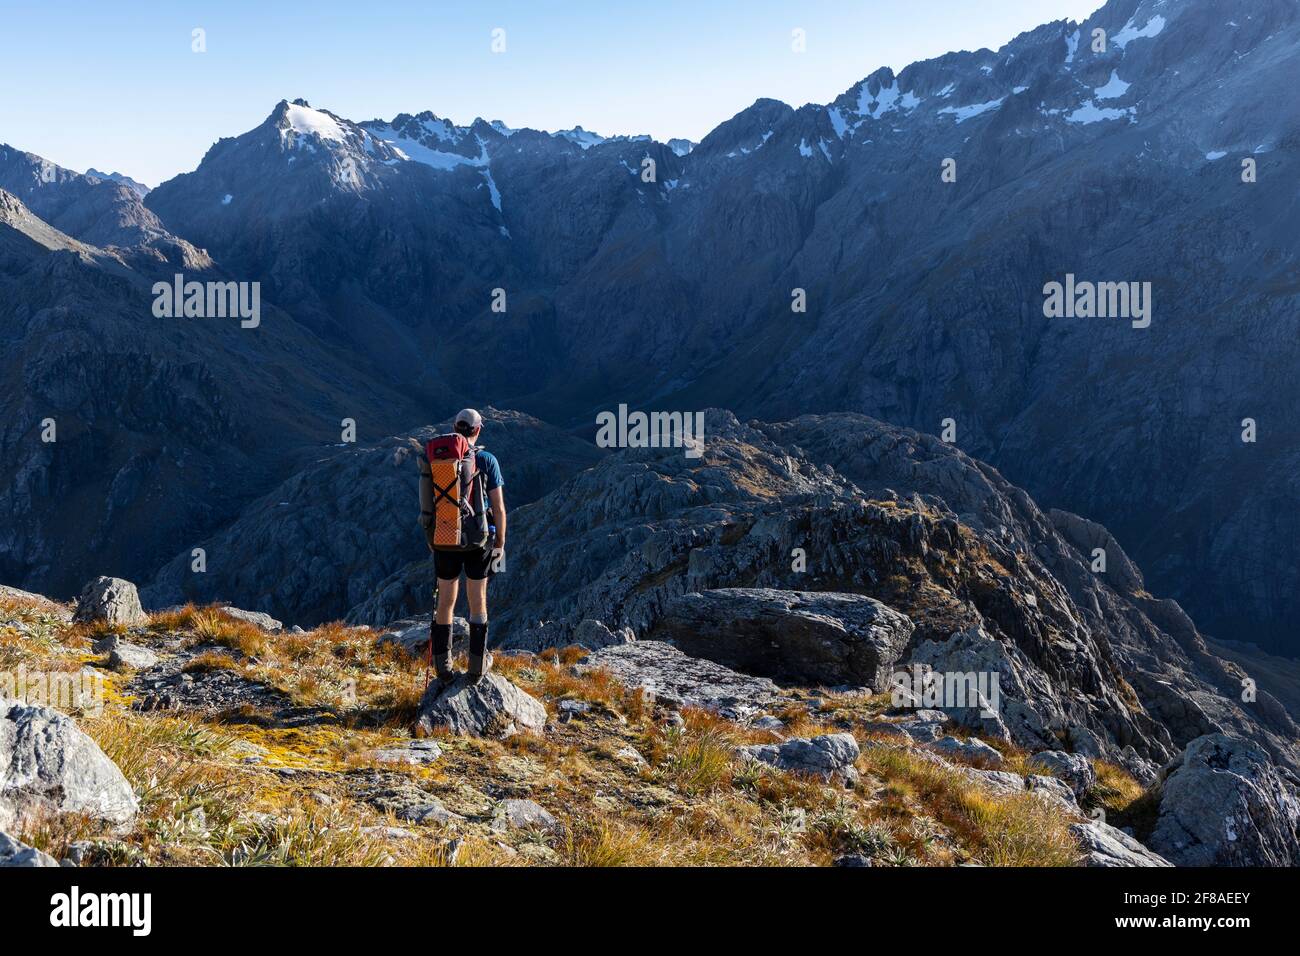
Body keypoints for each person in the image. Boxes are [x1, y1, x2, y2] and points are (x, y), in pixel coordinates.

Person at [429, 408, 506, 683]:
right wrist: (500, 543)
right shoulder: (486, 460)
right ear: (478, 430)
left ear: (454, 427)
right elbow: (497, 508)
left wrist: (433, 540)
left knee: (446, 602)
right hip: (478, 540)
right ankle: (476, 666)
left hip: (444, 538)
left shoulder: (437, 458)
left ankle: (443, 668)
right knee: (477, 600)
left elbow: (428, 505)